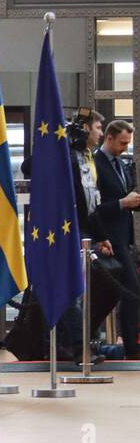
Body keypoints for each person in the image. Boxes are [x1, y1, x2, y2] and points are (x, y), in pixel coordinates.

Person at [91, 119, 140, 359]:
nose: (125, 148)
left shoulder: (121, 164)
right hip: (107, 240)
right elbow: (94, 208)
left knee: (126, 291)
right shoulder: (95, 165)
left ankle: (129, 344)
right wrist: (123, 203)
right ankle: (131, 346)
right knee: (130, 290)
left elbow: (126, 197)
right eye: (122, 143)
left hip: (123, 238)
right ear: (109, 138)